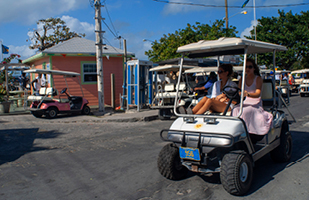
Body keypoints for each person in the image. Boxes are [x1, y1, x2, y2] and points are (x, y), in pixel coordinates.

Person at [232, 58, 273, 144]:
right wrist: (241, 94)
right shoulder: (242, 79)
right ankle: (236, 133)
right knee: (235, 110)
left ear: (254, 68)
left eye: (250, 67)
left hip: (255, 102)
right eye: (246, 67)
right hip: (244, 101)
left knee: (245, 111)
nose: (248, 69)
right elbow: (239, 91)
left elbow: (258, 93)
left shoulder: (258, 79)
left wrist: (248, 94)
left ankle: (248, 134)